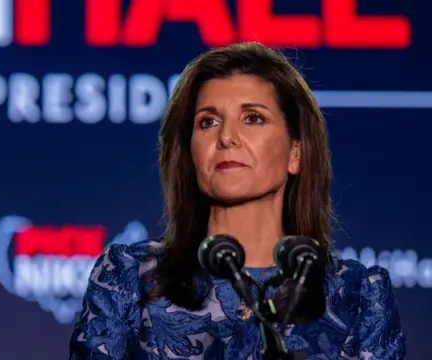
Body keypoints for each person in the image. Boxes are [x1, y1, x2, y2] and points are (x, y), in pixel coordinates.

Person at [69, 42, 405, 359]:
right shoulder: (130, 275)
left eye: (253, 118)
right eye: (208, 122)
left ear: (295, 153)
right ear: (190, 153)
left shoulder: (358, 294)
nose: (226, 137)